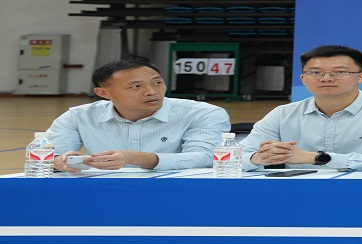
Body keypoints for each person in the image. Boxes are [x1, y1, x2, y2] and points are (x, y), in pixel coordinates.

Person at [243, 45, 362, 171]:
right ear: (303, 79)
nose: (326, 78)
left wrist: (316, 158)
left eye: (339, 72)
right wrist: (260, 157)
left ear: (361, 77)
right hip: (299, 190)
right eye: (315, 72)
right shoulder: (283, 113)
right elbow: (236, 155)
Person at [45, 59, 229, 172]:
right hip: (104, 191)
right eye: (136, 86)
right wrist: (59, 161)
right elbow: (47, 156)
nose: (151, 92)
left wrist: (134, 158)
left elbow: (204, 158)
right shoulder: (79, 116)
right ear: (103, 93)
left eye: (157, 83)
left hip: (176, 192)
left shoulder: (203, 113)